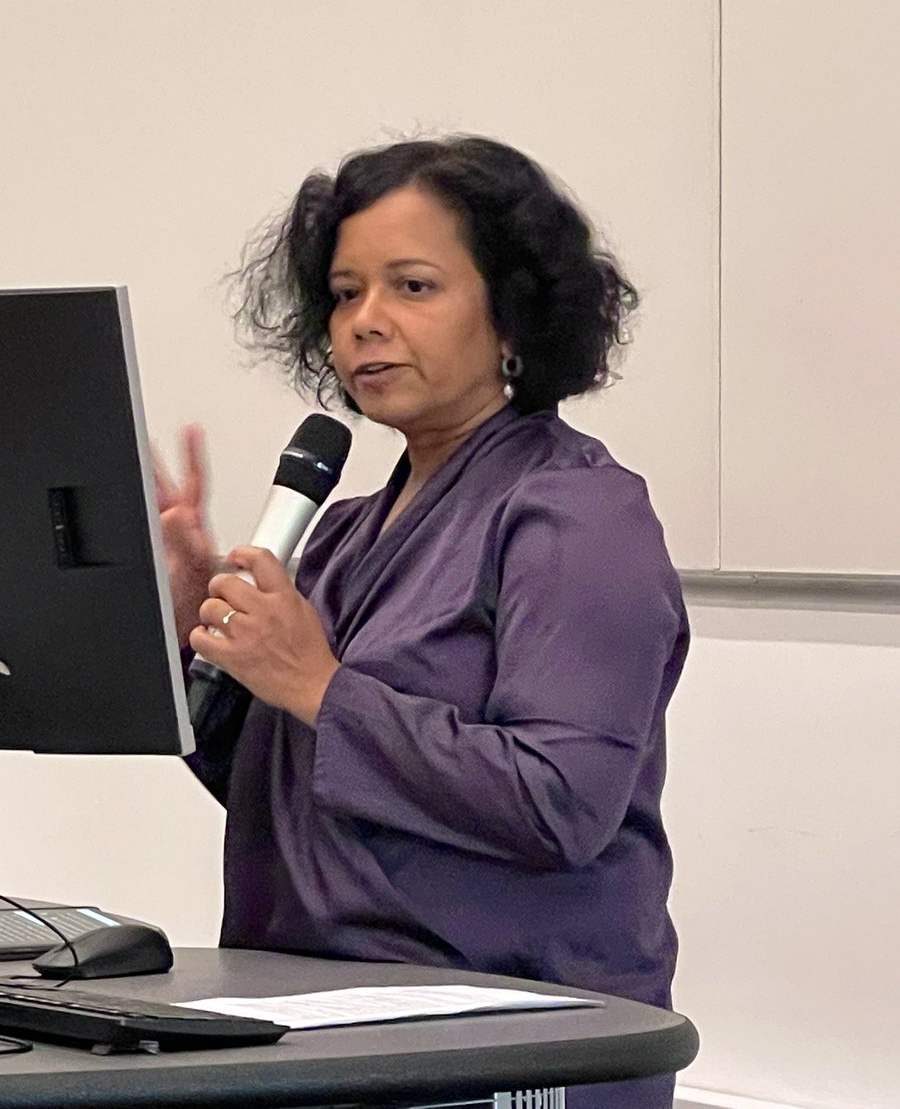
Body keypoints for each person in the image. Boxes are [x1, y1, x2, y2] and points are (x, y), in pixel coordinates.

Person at [155, 136, 690, 1109]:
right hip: (313, 1023)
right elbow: (307, 797)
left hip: (509, 1046)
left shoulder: (578, 516)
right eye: (346, 292)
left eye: (411, 287)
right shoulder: (349, 532)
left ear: (512, 310)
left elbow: (559, 803)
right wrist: (211, 643)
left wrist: (316, 684)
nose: (364, 323)